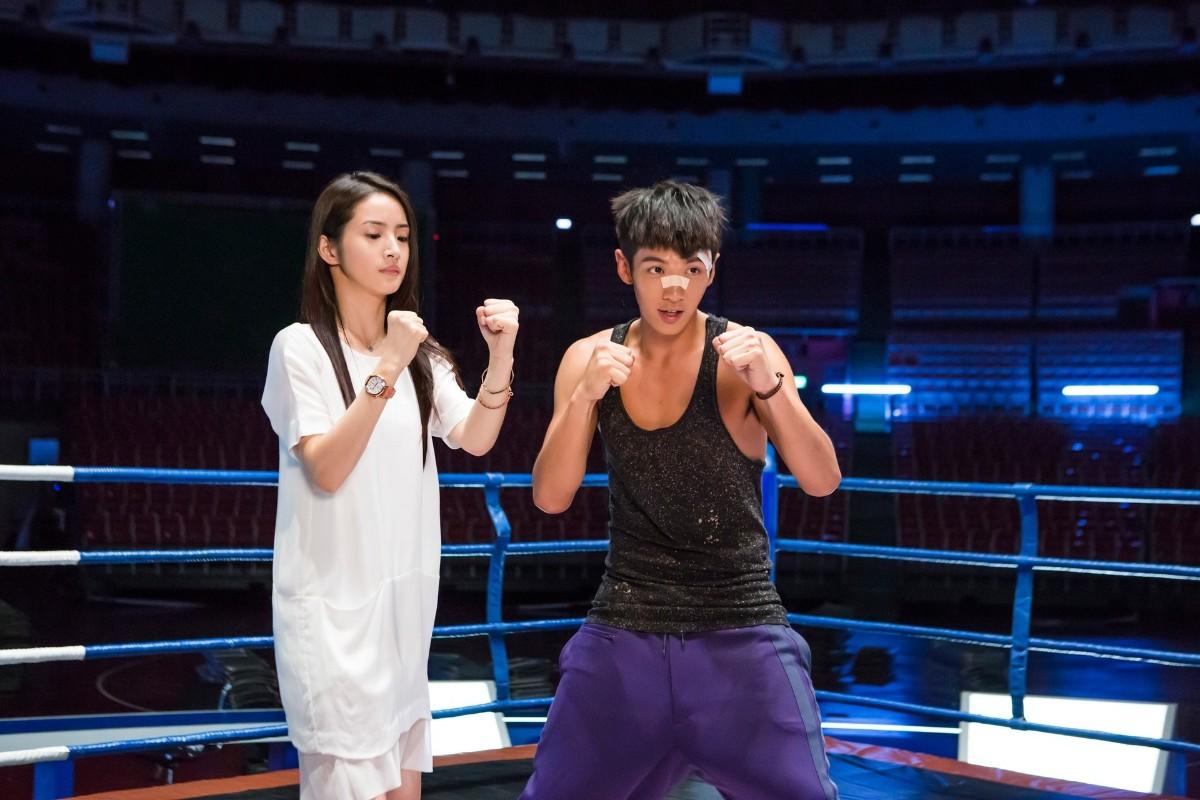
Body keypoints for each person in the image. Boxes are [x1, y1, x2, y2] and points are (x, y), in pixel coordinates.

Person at [521, 180, 841, 800]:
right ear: (624, 267)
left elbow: (822, 480)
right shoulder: (588, 358)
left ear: (711, 270)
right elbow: (551, 497)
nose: (674, 288)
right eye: (656, 269)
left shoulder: (747, 354)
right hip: (626, 624)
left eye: (691, 269)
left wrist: (769, 385)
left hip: (740, 626)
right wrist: (584, 397)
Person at [261, 171, 519, 800]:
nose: (393, 250)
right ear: (329, 248)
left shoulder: (424, 358)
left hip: (403, 615)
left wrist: (502, 354)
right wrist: (389, 364)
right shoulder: (300, 348)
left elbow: (476, 436)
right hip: (331, 620)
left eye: (402, 236)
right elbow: (327, 467)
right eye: (373, 234)